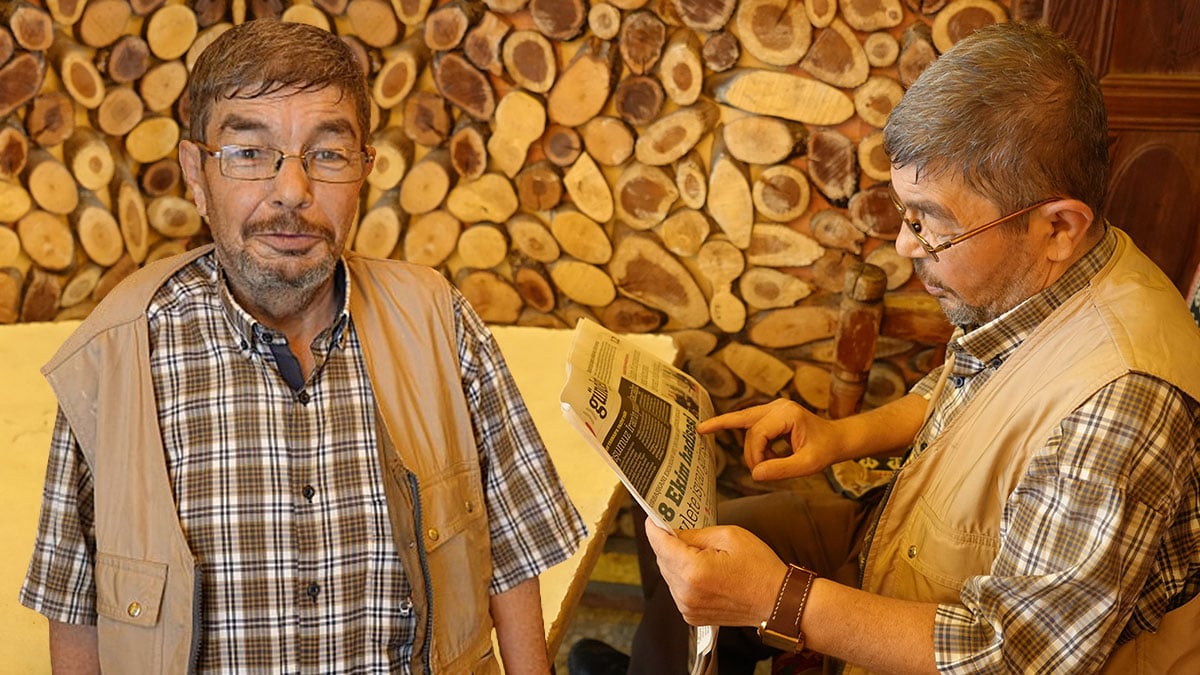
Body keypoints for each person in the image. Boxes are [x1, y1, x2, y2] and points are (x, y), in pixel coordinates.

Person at [571, 21, 1200, 675]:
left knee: (716, 572)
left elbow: (1013, 656)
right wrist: (839, 435)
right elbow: (969, 387)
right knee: (681, 547)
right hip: (908, 536)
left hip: (965, 638)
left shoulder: (1124, 400)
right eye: (906, 214)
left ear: (1058, 226)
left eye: (930, 221)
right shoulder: (1048, 269)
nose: (906, 246)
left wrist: (777, 598)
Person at [20, 19, 586, 675]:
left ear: (365, 170)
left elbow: (513, 554)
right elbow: (76, 609)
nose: (293, 192)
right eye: (249, 153)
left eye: (327, 153)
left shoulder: (440, 323)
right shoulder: (115, 358)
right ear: (196, 174)